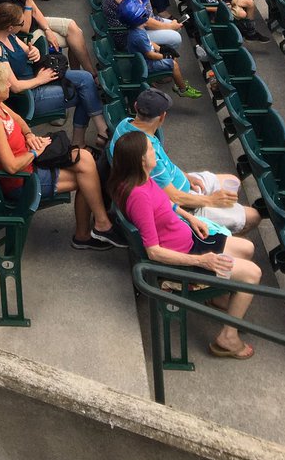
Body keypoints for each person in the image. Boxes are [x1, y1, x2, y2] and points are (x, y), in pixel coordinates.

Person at [109, 131, 261, 359]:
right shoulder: (138, 196)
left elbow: (165, 203)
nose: (155, 153)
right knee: (253, 274)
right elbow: (154, 252)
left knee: (247, 249)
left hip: (192, 239)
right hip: (187, 258)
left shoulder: (140, 177)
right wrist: (203, 261)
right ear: (141, 160)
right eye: (151, 150)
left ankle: (219, 297)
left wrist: (191, 218)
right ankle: (227, 338)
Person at [0, 61, 126, 250]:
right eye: (5, 83)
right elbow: (11, 167)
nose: (10, 85)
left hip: (30, 162)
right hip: (21, 181)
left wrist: (29, 136)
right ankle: (89, 232)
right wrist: (35, 151)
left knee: (85, 158)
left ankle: (98, 226)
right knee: (87, 178)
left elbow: (19, 120)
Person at [109, 91, 261, 235]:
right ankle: (223, 239)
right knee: (253, 216)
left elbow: (165, 165)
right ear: (162, 117)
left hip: (182, 185)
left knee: (233, 182)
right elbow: (174, 198)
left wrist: (186, 176)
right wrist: (210, 201)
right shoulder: (145, 154)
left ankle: (226, 224)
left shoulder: (125, 124)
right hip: (184, 206)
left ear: (136, 107)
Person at [0, 2, 108, 147]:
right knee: (83, 93)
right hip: (29, 95)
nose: (24, 24)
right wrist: (40, 80)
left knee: (85, 78)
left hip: (37, 78)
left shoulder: (8, 34)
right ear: (10, 27)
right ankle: (82, 141)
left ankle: (100, 130)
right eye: (21, 22)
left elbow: (27, 50)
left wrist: (33, 51)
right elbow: (15, 87)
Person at [118, 0, 198, 98]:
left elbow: (149, 42)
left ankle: (177, 81)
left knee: (172, 58)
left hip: (143, 58)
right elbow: (150, 55)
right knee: (174, 65)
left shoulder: (137, 29)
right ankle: (182, 89)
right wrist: (165, 56)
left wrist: (162, 48)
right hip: (145, 64)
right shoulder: (139, 35)